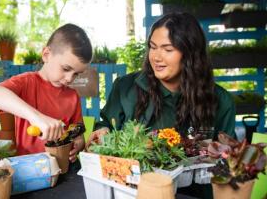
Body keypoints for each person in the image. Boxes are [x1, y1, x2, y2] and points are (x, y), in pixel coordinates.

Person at [87, 12, 236, 199]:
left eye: (167, 49)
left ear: (190, 54)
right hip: (132, 192)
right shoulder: (125, 88)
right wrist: (102, 133)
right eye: (153, 47)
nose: (156, 57)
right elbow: (106, 124)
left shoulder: (220, 101)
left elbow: (228, 162)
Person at [0, 23, 92, 163]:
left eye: (76, 74)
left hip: (62, 171)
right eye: (66, 69)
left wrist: (78, 145)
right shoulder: (26, 82)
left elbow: (78, 135)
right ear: (46, 55)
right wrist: (36, 117)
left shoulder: (72, 96)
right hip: (27, 168)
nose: (69, 79)